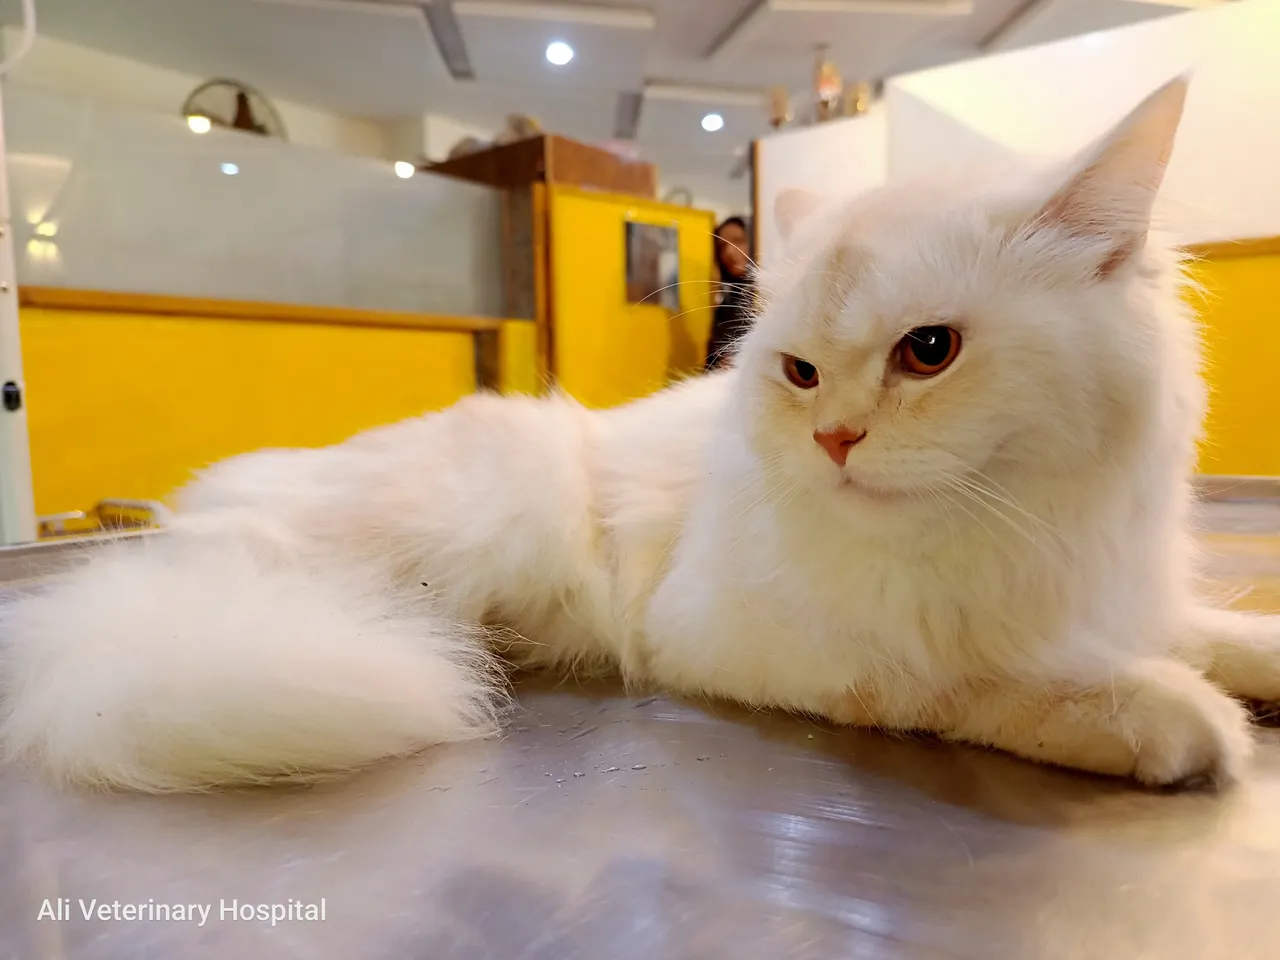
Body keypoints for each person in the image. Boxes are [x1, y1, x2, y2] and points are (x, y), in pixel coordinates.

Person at [704, 216, 756, 371]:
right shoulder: (725, 307)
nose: (729, 252)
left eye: (738, 240)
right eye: (722, 246)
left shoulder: (765, 296)